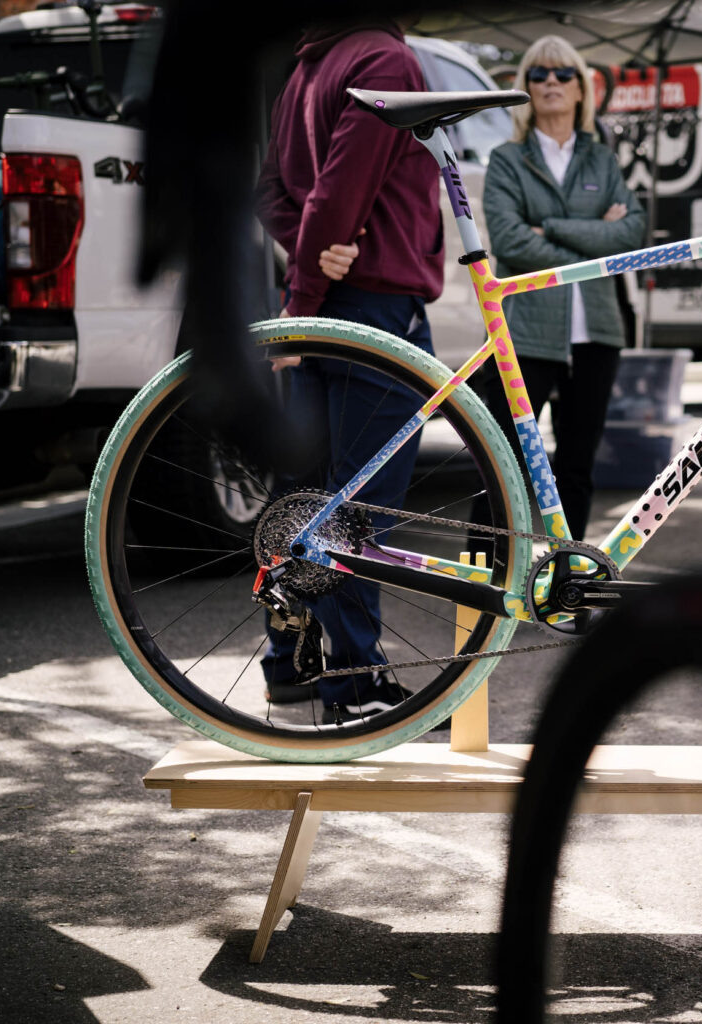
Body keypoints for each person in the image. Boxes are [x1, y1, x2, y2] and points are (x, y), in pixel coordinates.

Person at [254, 16, 444, 721]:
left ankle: (290, 664)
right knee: (358, 507)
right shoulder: (383, 59)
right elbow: (338, 198)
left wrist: (302, 289)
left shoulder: (305, 68)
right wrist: (313, 271)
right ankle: (354, 683)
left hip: (326, 304)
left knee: (310, 498)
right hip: (373, 308)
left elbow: (273, 193)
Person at [477, 34, 645, 542]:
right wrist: (593, 239)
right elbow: (508, 242)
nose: (551, 81)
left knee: (575, 471)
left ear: (581, 90)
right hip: (523, 336)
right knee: (499, 471)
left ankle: (568, 579)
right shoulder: (507, 159)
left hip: (596, 336)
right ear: (525, 89)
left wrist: (547, 227)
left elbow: (631, 233)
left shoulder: (601, 158)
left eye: (564, 73)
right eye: (539, 74)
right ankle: (485, 584)